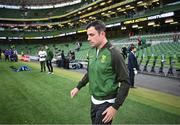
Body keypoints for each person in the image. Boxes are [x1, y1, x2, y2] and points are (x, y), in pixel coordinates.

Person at [70, 20, 130, 124]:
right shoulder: (92, 51)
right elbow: (90, 73)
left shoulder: (114, 53)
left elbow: (125, 81)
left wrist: (115, 107)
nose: (88, 38)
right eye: (88, 35)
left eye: (91, 35)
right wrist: (78, 87)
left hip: (107, 103)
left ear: (102, 34)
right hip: (94, 100)